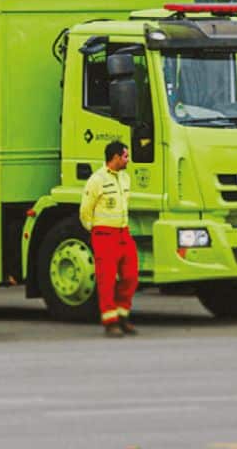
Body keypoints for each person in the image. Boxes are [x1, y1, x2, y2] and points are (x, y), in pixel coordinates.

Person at [79, 140, 139, 338]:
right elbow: (85, 211)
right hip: (105, 235)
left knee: (131, 275)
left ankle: (123, 315)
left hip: (123, 232)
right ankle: (110, 320)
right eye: (125, 156)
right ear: (115, 157)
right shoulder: (97, 180)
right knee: (107, 279)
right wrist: (95, 231)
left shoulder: (125, 178)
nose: (128, 160)